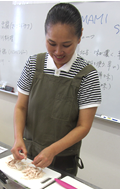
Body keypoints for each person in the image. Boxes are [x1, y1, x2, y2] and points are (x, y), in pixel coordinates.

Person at [11, 3, 101, 176]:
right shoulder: (33, 64)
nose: (58, 52)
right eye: (51, 43)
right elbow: (21, 106)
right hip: (28, 153)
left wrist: (52, 150)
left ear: (80, 36)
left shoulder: (88, 75)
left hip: (63, 159)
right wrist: (18, 138)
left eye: (66, 45)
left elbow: (84, 126)